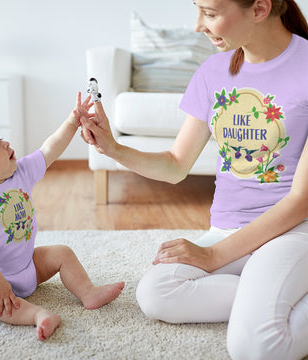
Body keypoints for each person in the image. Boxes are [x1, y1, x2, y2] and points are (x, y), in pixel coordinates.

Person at [81, 1, 308, 359]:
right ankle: (266, 295)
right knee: (155, 294)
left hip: (292, 231)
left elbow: (301, 201)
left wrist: (213, 255)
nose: (198, 25)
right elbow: (175, 164)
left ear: (260, 8)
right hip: (227, 228)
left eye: (211, 13)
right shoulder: (214, 70)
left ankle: (267, 298)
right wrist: (113, 149)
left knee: (256, 347)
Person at [0, 93, 124, 341]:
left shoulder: (20, 173)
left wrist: (73, 122)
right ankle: (36, 315)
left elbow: (50, 148)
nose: (6, 143)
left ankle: (88, 292)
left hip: (29, 266)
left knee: (62, 252)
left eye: (1, 138)